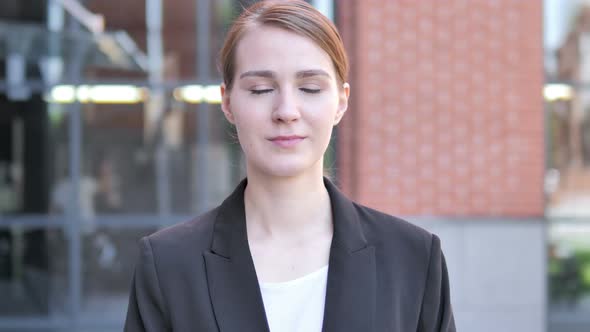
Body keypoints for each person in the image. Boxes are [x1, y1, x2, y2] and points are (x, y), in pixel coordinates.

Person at [124, 1, 456, 331]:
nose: (286, 110)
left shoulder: (412, 259)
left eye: (310, 88)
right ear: (227, 102)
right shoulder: (169, 265)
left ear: (340, 102)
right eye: (261, 89)